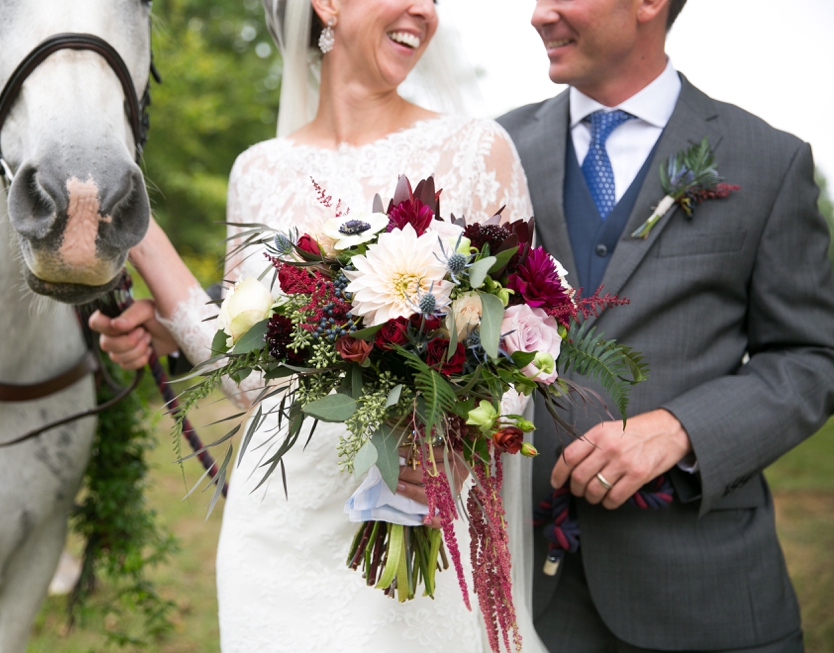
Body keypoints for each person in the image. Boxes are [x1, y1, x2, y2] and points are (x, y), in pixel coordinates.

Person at [91, 1, 546, 650]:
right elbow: (248, 379)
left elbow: (527, 337)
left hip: (423, 511)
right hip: (277, 532)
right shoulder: (257, 170)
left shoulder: (476, 151)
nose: (425, 8)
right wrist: (144, 240)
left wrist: (452, 442)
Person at [497, 0, 834, 651]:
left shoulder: (769, 160)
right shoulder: (492, 151)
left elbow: (811, 355)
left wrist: (682, 428)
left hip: (703, 590)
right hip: (521, 592)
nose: (539, 15)